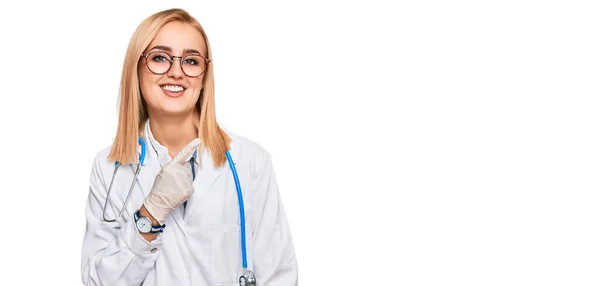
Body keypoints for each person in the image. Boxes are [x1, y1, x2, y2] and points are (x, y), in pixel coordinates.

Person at [80, 8, 298, 285]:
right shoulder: (109, 167)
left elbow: (279, 275)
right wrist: (149, 214)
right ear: (136, 68)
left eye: (191, 61)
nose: (176, 72)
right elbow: (98, 281)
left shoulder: (250, 161)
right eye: (160, 58)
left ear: (205, 76)